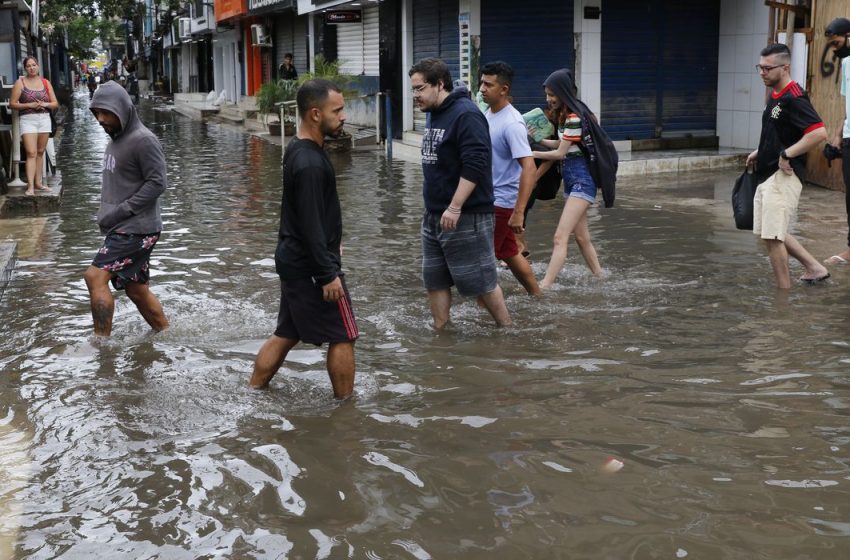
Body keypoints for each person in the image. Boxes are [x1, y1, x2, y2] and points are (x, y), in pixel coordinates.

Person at [250, 79, 357, 400]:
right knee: (344, 335)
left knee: (287, 332)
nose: (343, 116)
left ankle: (253, 391)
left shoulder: (298, 148)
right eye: (336, 110)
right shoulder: (309, 162)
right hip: (312, 267)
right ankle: (346, 408)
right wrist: (327, 273)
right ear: (314, 114)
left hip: (295, 260)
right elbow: (310, 223)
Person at [409, 57, 511, 328]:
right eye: (413, 89)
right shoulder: (433, 112)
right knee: (435, 279)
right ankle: (441, 332)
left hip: (466, 214)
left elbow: (476, 164)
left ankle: (508, 331)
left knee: (481, 281)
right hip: (434, 215)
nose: (415, 95)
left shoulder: (466, 114)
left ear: (440, 84)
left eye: (419, 89)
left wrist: (455, 206)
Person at [83, 81, 169, 336]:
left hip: (135, 228)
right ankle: (166, 334)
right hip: (123, 226)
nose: (100, 119)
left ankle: (102, 347)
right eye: (97, 113)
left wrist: (123, 211)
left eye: (106, 113)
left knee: (94, 277)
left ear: (122, 109)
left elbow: (158, 183)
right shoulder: (117, 139)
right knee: (136, 290)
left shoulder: (143, 140)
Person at [745, 43, 830, 289]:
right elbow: (783, 131)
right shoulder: (776, 96)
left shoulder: (795, 97)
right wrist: (761, 151)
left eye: (767, 68)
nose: (762, 73)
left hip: (784, 175)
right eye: (760, 67)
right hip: (768, 171)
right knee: (771, 232)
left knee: (772, 236)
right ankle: (814, 268)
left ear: (785, 68)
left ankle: (782, 296)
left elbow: (818, 132)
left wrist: (786, 154)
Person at [530, 69, 618, 288]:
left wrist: (532, 153)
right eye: (547, 94)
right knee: (582, 238)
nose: (548, 99)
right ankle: (602, 279)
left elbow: (559, 154)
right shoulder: (569, 116)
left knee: (560, 237)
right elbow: (562, 146)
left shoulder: (573, 118)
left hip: (582, 181)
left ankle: (544, 286)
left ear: (563, 92)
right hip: (573, 181)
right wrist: (535, 138)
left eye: (552, 94)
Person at [478, 61, 540, 296]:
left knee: (482, 261)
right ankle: (537, 295)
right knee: (509, 252)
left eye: (488, 84)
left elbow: (529, 167)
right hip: (490, 198)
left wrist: (519, 211)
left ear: (504, 89)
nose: (482, 89)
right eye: (482, 83)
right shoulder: (488, 113)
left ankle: (487, 310)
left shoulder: (512, 123)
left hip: (501, 202)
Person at [10, 57, 58, 196]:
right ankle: (30, 186)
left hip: (44, 118)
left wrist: (45, 104)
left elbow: (55, 103)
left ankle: (39, 183)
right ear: (25, 68)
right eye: (29, 66)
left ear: (38, 66)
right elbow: (12, 104)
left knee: (40, 152)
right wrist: (28, 105)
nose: (32, 68)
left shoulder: (45, 82)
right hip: (27, 119)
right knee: (31, 152)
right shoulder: (20, 83)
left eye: (34, 65)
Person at [823, 18, 850, 266]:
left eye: (837, 42)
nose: (834, 48)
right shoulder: (847, 64)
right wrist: (838, 133)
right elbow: (847, 106)